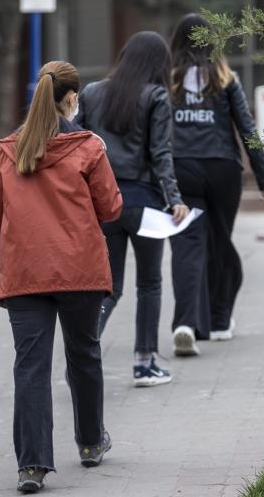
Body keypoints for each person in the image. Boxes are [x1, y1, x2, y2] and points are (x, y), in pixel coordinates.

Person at [0, 61, 122, 493]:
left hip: (24, 273)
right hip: (80, 271)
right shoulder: (88, 148)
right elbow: (112, 208)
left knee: (30, 368)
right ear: (71, 99)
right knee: (84, 356)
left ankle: (31, 467)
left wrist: (1, 259)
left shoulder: (5, 152)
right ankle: (90, 442)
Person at [75, 31, 190, 385]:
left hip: (104, 205)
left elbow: (77, 145)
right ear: (158, 64)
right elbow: (160, 155)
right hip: (144, 205)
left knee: (110, 287)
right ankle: (144, 364)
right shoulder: (156, 96)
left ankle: (79, 358)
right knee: (149, 284)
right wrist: (175, 199)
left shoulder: (92, 93)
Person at [168, 13, 264, 356]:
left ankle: (187, 322)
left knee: (188, 245)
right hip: (223, 170)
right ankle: (218, 318)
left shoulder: (169, 80)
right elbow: (246, 127)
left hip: (182, 169)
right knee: (219, 242)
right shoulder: (226, 78)